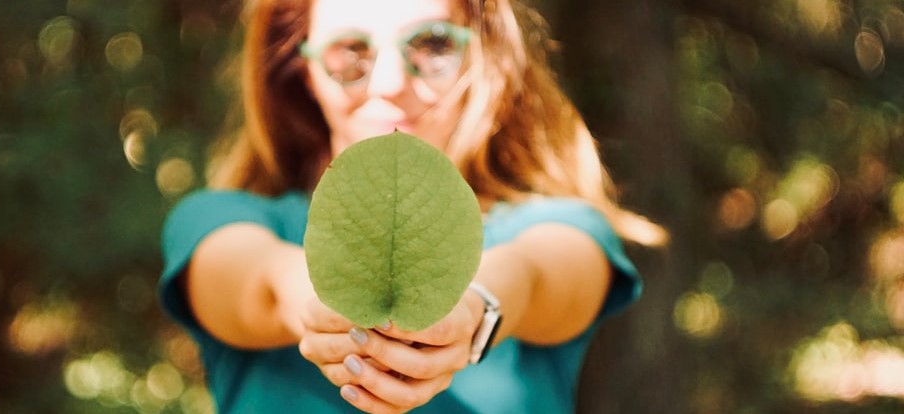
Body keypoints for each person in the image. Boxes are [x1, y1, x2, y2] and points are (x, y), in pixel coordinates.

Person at [158, 0, 667, 412]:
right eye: (349, 51)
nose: (389, 83)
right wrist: (320, 306)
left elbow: (536, 275)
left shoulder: (559, 225)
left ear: (482, 57)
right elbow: (258, 282)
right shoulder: (218, 220)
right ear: (303, 70)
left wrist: (472, 312)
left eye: (432, 44)